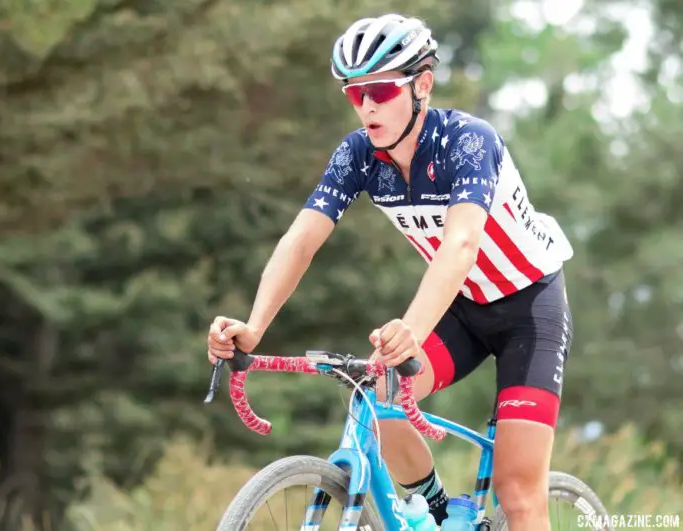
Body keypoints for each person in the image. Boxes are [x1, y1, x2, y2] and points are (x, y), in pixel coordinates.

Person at [207, 13, 574, 531]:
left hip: (529, 309)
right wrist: (255, 325)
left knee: (518, 496)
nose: (368, 106)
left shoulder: (467, 141)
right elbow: (300, 241)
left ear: (422, 84)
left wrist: (412, 330)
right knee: (374, 399)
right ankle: (441, 514)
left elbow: (462, 243)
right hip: (462, 309)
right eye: (355, 94)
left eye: (380, 89)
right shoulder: (358, 155)